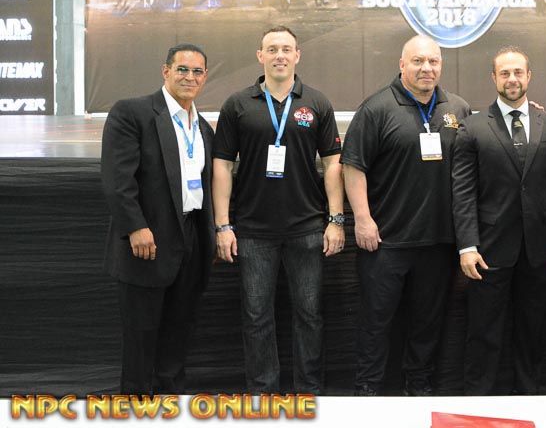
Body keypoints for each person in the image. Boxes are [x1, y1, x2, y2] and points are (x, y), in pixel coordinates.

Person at [212, 26, 344, 394]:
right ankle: (263, 395)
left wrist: (336, 220)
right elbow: (222, 165)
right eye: (272, 49)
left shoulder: (316, 102)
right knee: (256, 318)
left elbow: (333, 163)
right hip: (253, 231)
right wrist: (223, 225)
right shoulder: (238, 105)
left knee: (310, 316)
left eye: (286, 49)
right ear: (260, 56)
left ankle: (309, 393)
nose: (280, 55)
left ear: (298, 55)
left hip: (307, 228)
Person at [340, 35, 470, 397]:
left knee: (427, 324)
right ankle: (367, 390)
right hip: (386, 241)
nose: (426, 68)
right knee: (375, 323)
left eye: (433, 61)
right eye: (418, 61)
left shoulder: (457, 108)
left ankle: (419, 388)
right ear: (402, 65)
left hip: (439, 242)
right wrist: (362, 219)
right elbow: (353, 166)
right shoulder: (377, 108)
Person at [452, 46, 546, 395]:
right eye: (505, 73)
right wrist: (467, 246)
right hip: (488, 251)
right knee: (484, 333)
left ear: (529, 76)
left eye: (518, 72)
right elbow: (462, 193)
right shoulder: (472, 127)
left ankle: (529, 400)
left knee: (533, 332)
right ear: (494, 78)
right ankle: (478, 404)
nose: (512, 79)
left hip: (540, 251)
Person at [101, 44, 216, 394]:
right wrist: (135, 226)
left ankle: (171, 400)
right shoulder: (132, 113)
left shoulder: (204, 128)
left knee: (179, 328)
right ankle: (136, 405)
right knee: (141, 334)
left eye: (197, 71)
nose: (189, 77)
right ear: (165, 71)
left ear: (204, 77)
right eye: (182, 69)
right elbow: (118, 179)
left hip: (191, 237)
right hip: (148, 239)